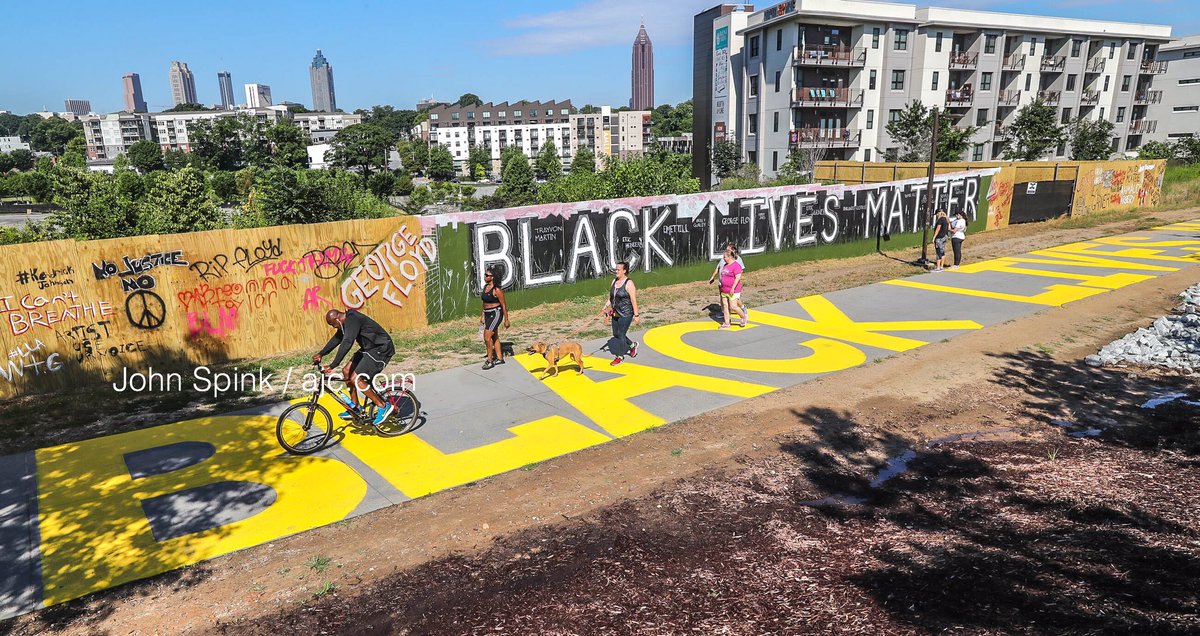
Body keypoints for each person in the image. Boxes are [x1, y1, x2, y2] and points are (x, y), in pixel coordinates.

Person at [314, 308, 395, 425]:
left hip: (381, 349)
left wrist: (333, 364)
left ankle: (382, 406)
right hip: (369, 349)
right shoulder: (346, 323)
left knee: (357, 379)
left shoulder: (352, 319)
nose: (333, 327)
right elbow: (337, 339)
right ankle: (356, 406)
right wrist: (321, 353)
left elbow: (347, 342)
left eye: (333, 324)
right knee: (346, 371)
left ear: (337, 318)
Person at [601, 261, 641, 366]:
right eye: (616, 269)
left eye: (618, 269)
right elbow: (612, 297)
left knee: (621, 334)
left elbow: (633, 300)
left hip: (626, 313)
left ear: (624, 271)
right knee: (616, 334)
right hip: (616, 312)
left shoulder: (629, 283)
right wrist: (606, 306)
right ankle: (632, 345)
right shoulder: (614, 281)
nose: (616, 271)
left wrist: (636, 315)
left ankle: (620, 356)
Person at [479, 266, 510, 370]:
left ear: (492, 277)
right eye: (485, 275)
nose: (485, 277)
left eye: (487, 275)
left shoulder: (497, 290)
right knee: (494, 336)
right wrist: (482, 315)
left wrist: (506, 319)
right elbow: (484, 303)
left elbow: (504, 305)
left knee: (487, 337)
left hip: (496, 314)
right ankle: (500, 358)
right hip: (487, 314)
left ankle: (489, 360)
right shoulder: (485, 287)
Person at [709, 242, 748, 321]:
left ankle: (743, 309)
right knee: (724, 301)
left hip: (732, 285)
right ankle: (724, 313)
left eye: (728, 249)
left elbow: (739, 272)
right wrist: (713, 277)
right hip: (723, 284)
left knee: (735, 301)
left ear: (732, 250)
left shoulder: (737, 260)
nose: (726, 251)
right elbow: (718, 268)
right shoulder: (724, 259)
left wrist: (734, 283)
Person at [718, 250, 747, 329]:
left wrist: (733, 288)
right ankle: (727, 322)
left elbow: (738, 278)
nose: (723, 258)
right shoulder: (725, 265)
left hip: (733, 290)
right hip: (724, 290)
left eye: (725, 257)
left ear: (729, 257)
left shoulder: (736, 265)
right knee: (725, 306)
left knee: (733, 306)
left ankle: (743, 317)